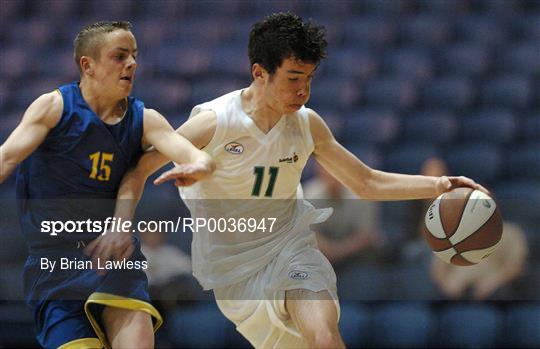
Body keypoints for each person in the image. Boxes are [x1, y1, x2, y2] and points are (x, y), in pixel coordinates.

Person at [106, 13, 487, 348]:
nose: (303, 91)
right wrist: (120, 227)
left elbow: (366, 182)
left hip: (291, 248)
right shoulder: (214, 122)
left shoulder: (307, 123)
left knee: (324, 336)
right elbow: (136, 172)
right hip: (234, 271)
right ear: (260, 72)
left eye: (309, 78)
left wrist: (440, 186)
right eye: (292, 78)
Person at [0, 21, 213, 349]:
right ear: (88, 64)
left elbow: (189, 153)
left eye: (134, 56)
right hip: (55, 264)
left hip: (114, 253)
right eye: (120, 56)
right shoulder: (54, 108)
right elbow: (5, 160)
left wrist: (199, 165)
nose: (132, 64)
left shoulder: (145, 119)